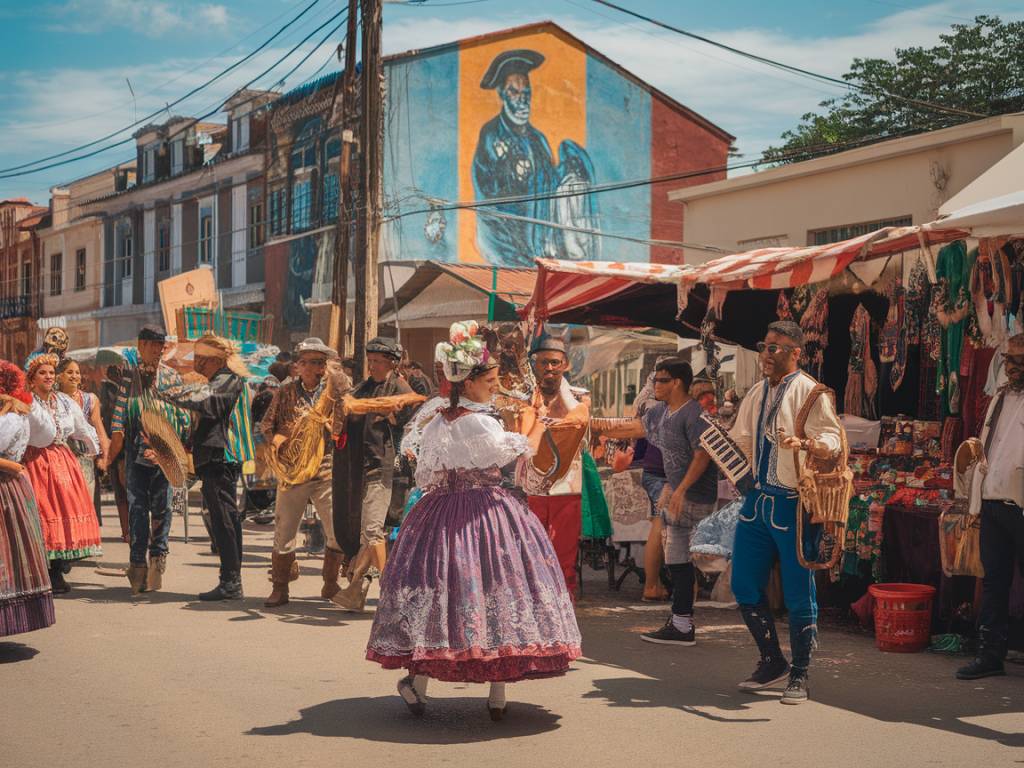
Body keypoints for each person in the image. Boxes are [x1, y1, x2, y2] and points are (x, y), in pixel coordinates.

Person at [365, 322, 581, 720]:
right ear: (470, 381)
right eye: (492, 380)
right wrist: (533, 422)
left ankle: (418, 681)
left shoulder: (438, 421)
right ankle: (497, 691)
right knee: (495, 589)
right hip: (486, 513)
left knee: (440, 596)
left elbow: (426, 476)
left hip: (439, 513)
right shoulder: (479, 421)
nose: (495, 387)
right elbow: (517, 453)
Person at [729, 321, 843, 704]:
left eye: (776, 348)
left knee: (798, 592)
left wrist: (810, 444)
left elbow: (833, 437)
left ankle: (801, 673)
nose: (767, 353)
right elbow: (740, 435)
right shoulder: (758, 391)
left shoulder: (811, 393)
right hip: (757, 500)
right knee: (743, 584)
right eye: (764, 346)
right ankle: (772, 661)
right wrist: (734, 464)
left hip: (794, 504)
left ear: (796, 353)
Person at [593, 359, 719, 645]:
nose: (655, 386)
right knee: (677, 557)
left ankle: (683, 623)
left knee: (682, 556)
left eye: (661, 380)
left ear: (677, 382)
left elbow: (703, 454)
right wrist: (590, 424)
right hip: (676, 491)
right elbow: (634, 427)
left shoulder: (694, 414)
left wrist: (680, 490)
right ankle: (681, 622)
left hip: (693, 495)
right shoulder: (662, 411)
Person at [472, 49, 597, 265]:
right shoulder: (491, 134)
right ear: (502, 94)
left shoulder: (538, 140)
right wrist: (510, 168)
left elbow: (550, 188)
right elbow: (491, 198)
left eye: (526, 93)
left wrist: (570, 173)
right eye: (514, 92)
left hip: (538, 253)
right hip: (505, 254)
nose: (523, 101)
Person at [157, 335, 248, 601]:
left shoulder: (227, 378)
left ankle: (231, 582)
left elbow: (209, 404)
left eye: (201, 358)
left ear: (215, 359)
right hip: (214, 456)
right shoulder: (221, 379)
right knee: (223, 518)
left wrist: (172, 393)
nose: (197, 363)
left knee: (224, 518)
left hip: (221, 456)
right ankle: (230, 580)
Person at [261, 338, 350, 608]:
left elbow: (345, 422)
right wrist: (278, 441)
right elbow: (267, 424)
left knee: (336, 530)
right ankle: (280, 586)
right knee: (284, 530)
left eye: (319, 362)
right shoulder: (286, 391)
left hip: (325, 469)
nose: (314, 368)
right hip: (293, 470)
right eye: (308, 362)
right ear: (298, 366)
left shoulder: (334, 392)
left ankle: (331, 581)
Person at [957, 333, 1024, 680]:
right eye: (1009, 360)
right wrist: (975, 498)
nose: (1011, 367)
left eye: (1018, 361)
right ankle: (990, 653)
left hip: (1020, 503)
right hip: (995, 501)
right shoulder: (1000, 397)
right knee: (995, 581)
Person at [332, 337, 416, 611]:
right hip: (361, 467)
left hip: (386, 468)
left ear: (392, 362)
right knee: (366, 535)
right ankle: (355, 593)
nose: (373, 366)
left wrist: (390, 413)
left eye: (379, 361)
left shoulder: (401, 389)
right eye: (371, 361)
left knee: (372, 530)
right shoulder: (363, 388)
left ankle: (393, 592)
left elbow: (407, 427)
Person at [109, 326, 188, 594]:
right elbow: (119, 416)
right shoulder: (128, 376)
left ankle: (157, 561)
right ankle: (137, 565)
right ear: (141, 345)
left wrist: (164, 449)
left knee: (163, 508)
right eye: (153, 344)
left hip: (165, 454)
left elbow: (182, 417)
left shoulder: (172, 377)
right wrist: (112, 454)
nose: (158, 349)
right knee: (137, 509)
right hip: (134, 453)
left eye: (161, 345)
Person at [23, 353, 101, 593]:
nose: (48, 376)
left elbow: (81, 427)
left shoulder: (64, 402)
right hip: (35, 461)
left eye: (50, 372)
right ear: (32, 379)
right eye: (42, 373)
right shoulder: (27, 402)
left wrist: (94, 449)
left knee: (64, 512)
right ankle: (41, 572)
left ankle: (56, 571)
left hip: (62, 461)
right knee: (41, 514)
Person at [522, 335, 589, 598]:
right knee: (530, 548)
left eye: (554, 363)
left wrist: (542, 420)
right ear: (533, 365)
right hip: (530, 485)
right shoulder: (523, 399)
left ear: (565, 365)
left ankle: (564, 600)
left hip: (567, 485)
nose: (549, 369)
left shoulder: (580, 398)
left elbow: (577, 421)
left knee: (563, 550)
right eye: (543, 363)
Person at [0, 360, 56, 637]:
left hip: (5, 486)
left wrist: (9, 464)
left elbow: (47, 436)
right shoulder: (16, 413)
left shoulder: (10, 417)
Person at [57, 358, 110, 502]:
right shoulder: (53, 399)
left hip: (85, 461)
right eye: (69, 372)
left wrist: (104, 458)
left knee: (85, 504)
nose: (74, 376)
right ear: (60, 376)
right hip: (61, 462)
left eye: (77, 372)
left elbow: (99, 430)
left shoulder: (90, 400)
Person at [100, 364, 130, 541]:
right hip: (115, 443)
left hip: (126, 444)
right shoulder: (107, 389)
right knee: (121, 489)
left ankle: (130, 530)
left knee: (128, 490)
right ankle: (126, 530)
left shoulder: (129, 388)